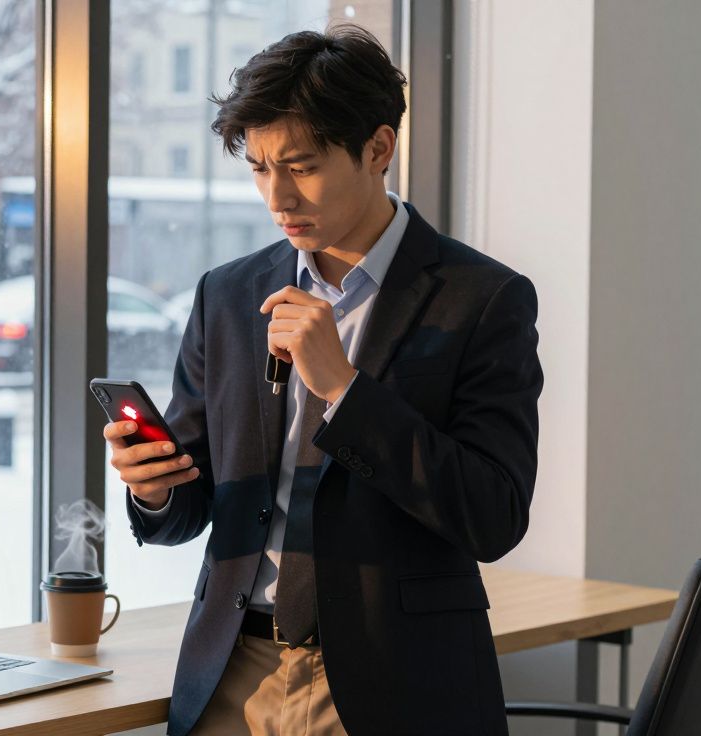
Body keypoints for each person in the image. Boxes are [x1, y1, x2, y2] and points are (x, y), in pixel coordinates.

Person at [106, 25, 543, 736]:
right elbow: (193, 506)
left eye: (301, 166)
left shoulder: (483, 299)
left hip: (392, 681)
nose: (277, 197)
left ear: (378, 149)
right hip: (230, 672)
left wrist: (345, 389)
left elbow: (493, 515)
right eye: (258, 168)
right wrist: (154, 488)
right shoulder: (227, 294)